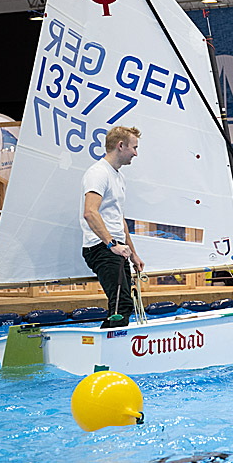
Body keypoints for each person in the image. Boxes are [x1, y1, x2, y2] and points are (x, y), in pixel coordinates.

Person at [80, 126, 144, 328]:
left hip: (117, 249)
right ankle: (103, 345)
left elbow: (119, 220)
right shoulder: (98, 173)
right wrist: (111, 244)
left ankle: (114, 342)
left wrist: (133, 254)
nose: (136, 153)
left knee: (123, 305)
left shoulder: (118, 177)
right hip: (102, 248)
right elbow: (90, 212)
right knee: (120, 305)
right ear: (120, 145)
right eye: (134, 147)